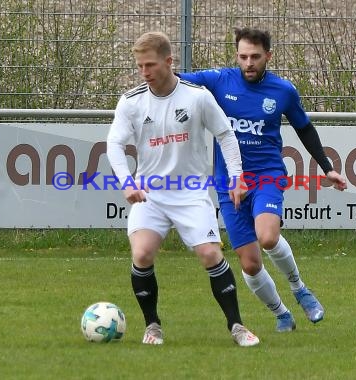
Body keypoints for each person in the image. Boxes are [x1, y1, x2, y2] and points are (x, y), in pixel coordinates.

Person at [178, 27, 347, 331]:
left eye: (255, 56)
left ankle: (300, 290)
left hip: (267, 175)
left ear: (268, 56)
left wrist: (327, 166)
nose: (249, 63)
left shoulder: (283, 91)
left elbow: (304, 128)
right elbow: (178, 80)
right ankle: (281, 313)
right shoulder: (219, 81)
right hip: (229, 183)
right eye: (243, 56)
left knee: (268, 236)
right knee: (250, 264)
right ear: (236, 56)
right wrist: (157, 70)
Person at [106, 31, 259, 346]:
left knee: (210, 254)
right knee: (143, 253)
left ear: (168, 61)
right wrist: (127, 181)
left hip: (190, 192)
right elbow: (114, 145)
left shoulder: (197, 96)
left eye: (150, 65)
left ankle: (237, 327)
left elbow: (226, 135)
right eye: (139, 66)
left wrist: (236, 176)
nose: (144, 72)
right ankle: (152, 326)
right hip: (150, 193)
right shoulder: (131, 101)